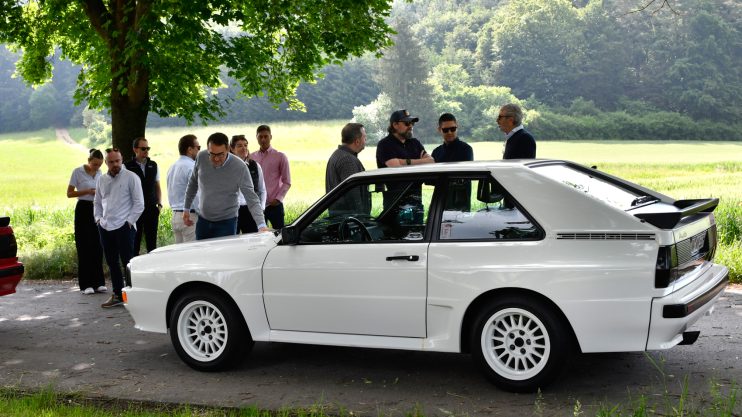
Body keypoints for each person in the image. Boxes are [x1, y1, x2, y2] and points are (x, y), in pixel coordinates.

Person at [183, 132, 269, 240]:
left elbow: (251, 197)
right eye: (212, 154)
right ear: (207, 149)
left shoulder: (240, 167)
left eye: (220, 154)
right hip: (203, 221)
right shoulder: (201, 157)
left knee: (223, 256)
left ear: (228, 149)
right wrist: (186, 208)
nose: (216, 159)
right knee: (202, 255)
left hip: (227, 223)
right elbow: (193, 183)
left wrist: (261, 225)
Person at [94, 148, 144, 308]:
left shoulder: (131, 177)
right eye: (111, 162)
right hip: (106, 226)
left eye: (117, 161)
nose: (115, 164)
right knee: (112, 262)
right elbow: (97, 202)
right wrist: (98, 220)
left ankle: (132, 295)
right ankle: (117, 294)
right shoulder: (102, 180)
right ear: (106, 163)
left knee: (128, 262)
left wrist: (129, 222)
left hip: (124, 226)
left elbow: (139, 204)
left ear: (121, 160)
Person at [67, 149, 106, 295]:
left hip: (96, 208)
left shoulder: (100, 173)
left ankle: (99, 282)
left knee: (97, 244)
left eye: (99, 165)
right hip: (83, 208)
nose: (97, 167)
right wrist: (87, 191)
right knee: (84, 245)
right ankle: (86, 284)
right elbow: (69, 193)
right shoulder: (77, 172)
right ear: (89, 160)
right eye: (95, 164)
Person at [124, 137, 162, 253]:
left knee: (152, 243)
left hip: (151, 209)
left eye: (148, 148)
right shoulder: (127, 166)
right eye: (143, 148)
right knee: (135, 242)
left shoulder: (153, 165)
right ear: (135, 149)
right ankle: (133, 268)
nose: (146, 151)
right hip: (135, 210)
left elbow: (157, 185)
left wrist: (159, 204)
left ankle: (152, 268)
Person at [250, 125, 291, 229]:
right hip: (257, 205)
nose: (263, 139)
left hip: (274, 205)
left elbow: (287, 181)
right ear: (256, 137)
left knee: (280, 234)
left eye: (266, 136)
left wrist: (278, 199)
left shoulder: (280, 156)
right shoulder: (251, 157)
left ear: (270, 137)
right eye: (260, 137)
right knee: (258, 235)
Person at [325, 123, 370, 216]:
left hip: (343, 216)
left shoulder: (339, 155)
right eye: (364, 137)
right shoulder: (347, 160)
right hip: (348, 218)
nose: (366, 140)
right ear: (357, 141)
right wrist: (361, 217)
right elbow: (353, 193)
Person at [432, 113, 474, 211]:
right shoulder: (436, 152)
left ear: (457, 126)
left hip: (460, 203)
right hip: (440, 202)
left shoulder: (466, 149)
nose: (450, 132)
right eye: (445, 130)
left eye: (453, 129)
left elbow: (465, 176)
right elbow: (430, 179)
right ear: (439, 130)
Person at [166, 134, 200, 243]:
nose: (199, 151)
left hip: (175, 215)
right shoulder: (192, 167)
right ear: (190, 149)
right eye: (198, 148)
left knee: (180, 253)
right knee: (192, 253)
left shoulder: (172, 167)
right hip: (190, 215)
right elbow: (196, 194)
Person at [230, 134, 267, 234]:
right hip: (233, 210)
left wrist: (261, 208)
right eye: (240, 145)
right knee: (232, 241)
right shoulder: (226, 167)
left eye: (245, 145)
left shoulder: (255, 166)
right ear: (232, 149)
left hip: (251, 210)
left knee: (253, 242)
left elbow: (262, 189)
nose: (244, 148)